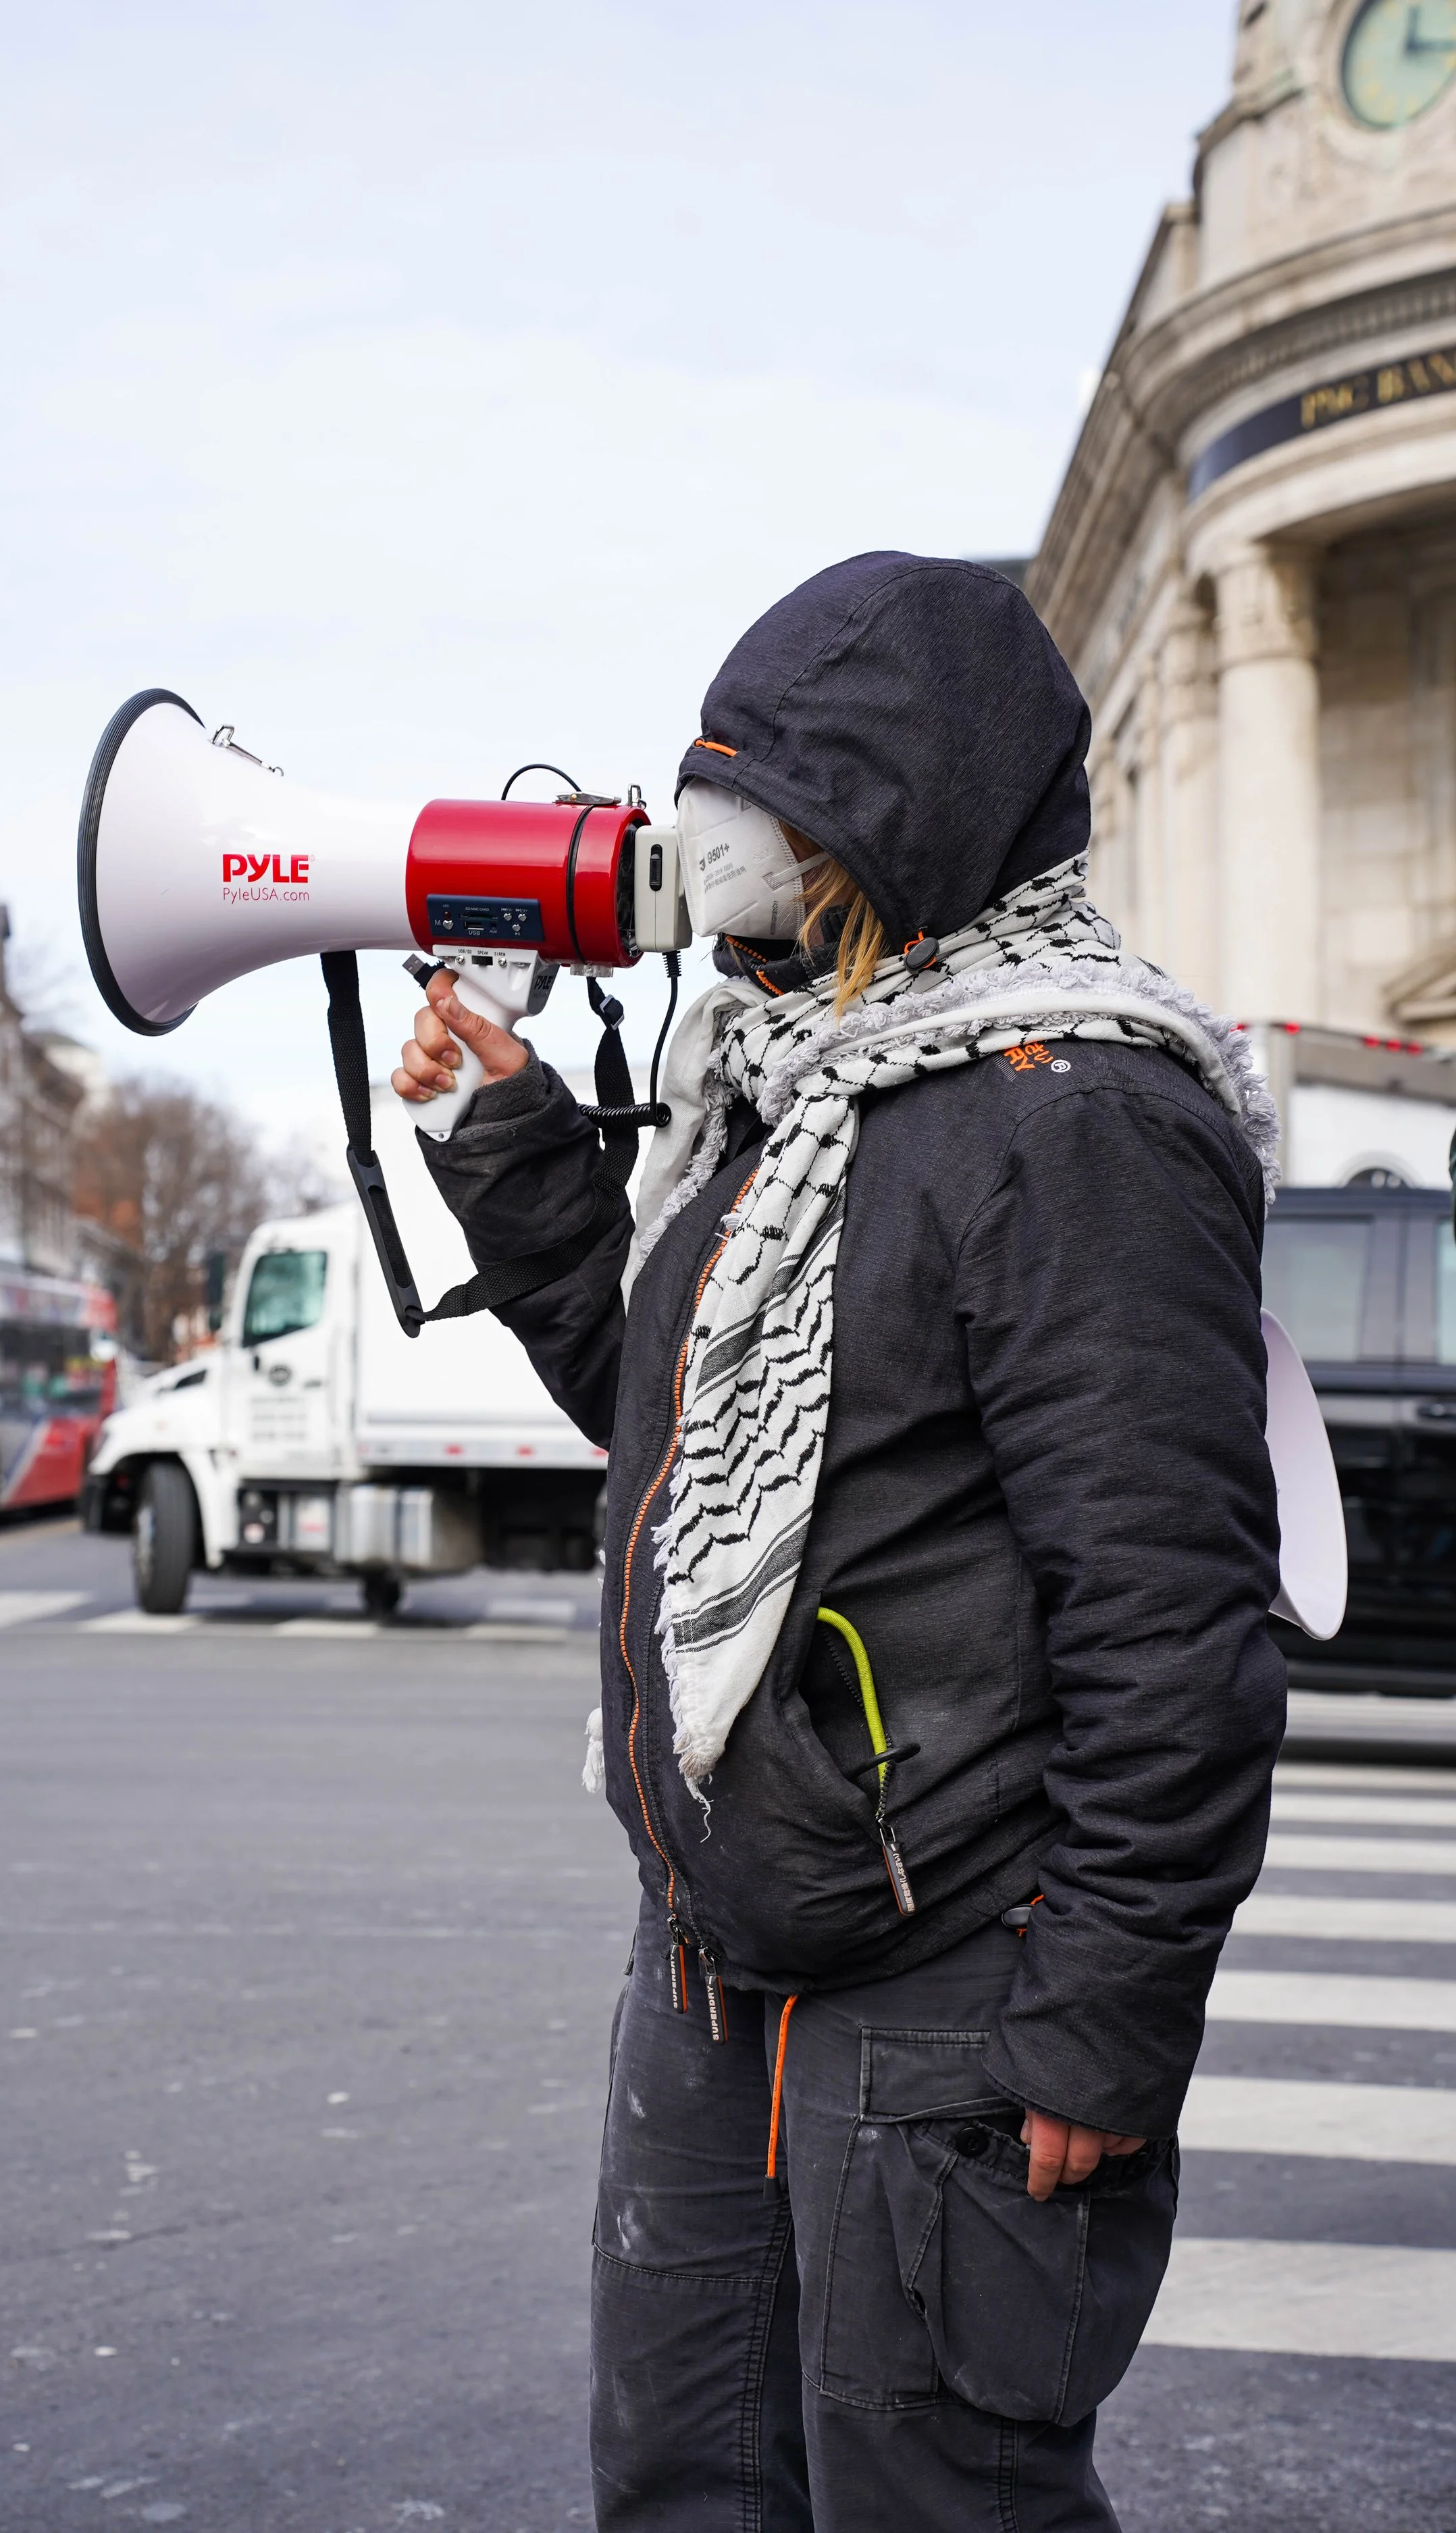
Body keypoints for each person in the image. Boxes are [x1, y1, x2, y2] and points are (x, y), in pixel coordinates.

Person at [392, 553, 1284, 2533]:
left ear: (899, 810)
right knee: (688, 2483)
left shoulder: (1075, 1117)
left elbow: (1172, 1623)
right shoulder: (792, 1094)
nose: (724, 846)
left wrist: (1100, 2027)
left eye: (771, 795)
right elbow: (670, 1428)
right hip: (724, 1960)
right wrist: (513, 1144)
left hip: (957, 1986)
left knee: (931, 2499)